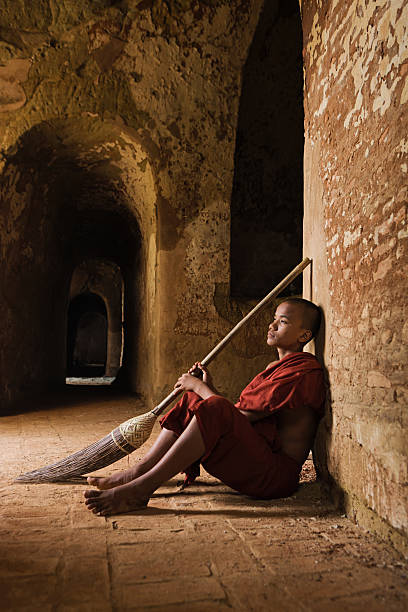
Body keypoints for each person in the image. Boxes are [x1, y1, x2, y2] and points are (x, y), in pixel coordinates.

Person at [84, 298, 325, 516]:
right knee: (193, 401)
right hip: (259, 458)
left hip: (274, 476)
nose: (271, 326)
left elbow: (236, 415)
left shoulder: (302, 371)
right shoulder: (278, 365)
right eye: (273, 319)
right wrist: (206, 389)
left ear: (303, 336)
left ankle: (142, 488)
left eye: (282, 322)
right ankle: (140, 471)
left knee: (207, 402)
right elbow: (240, 416)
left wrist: (199, 386)